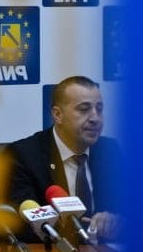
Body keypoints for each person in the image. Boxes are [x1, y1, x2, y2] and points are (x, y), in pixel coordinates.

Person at [8, 76, 123, 242]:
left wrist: (116, 222)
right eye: (84, 109)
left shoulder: (109, 150)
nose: (95, 118)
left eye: (99, 109)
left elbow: (134, 209)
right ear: (58, 115)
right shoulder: (24, 155)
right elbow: (22, 228)